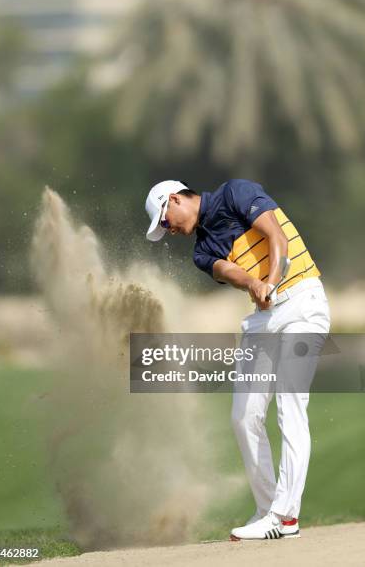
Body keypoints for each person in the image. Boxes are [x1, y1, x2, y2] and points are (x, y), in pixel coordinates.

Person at [144, 179, 330, 540]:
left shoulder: (236, 193)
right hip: (264, 316)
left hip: (303, 300)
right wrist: (254, 286)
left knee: (290, 403)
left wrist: (270, 282)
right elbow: (233, 272)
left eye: (165, 222)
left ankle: (285, 517)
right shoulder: (202, 251)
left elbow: (277, 237)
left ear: (175, 199)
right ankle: (267, 509)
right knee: (243, 416)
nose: (170, 232)